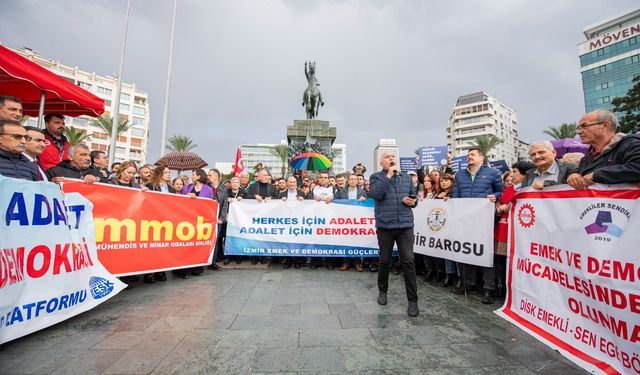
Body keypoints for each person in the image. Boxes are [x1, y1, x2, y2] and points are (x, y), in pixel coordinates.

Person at [369, 152, 419, 317]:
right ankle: (382, 291)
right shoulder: (376, 177)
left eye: (393, 156)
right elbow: (376, 194)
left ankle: (413, 301)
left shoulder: (406, 178)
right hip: (385, 226)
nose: (391, 158)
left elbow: (415, 198)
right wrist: (389, 175)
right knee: (384, 260)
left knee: (408, 261)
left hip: (405, 225)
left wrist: (413, 202)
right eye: (387, 157)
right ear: (381, 161)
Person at [451, 148, 503, 304]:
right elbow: (455, 194)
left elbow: (501, 191)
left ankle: (489, 288)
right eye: (468, 155)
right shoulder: (460, 174)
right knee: (467, 250)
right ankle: (470, 283)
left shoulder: (492, 173)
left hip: (484, 219)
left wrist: (496, 196)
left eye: (472, 155)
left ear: (481, 157)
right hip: (465, 220)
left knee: (486, 253)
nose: (469, 157)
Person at [567, 109, 640, 190]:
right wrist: (575, 176)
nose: (579, 132)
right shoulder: (586, 158)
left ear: (605, 126)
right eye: (578, 127)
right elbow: (584, 178)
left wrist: (596, 175)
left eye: (584, 126)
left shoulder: (631, 145)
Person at [494, 161, 535, 298]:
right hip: (504, 232)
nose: (512, 175)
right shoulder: (510, 190)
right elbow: (500, 203)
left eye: (515, 172)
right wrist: (499, 207)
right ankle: (503, 292)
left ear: (525, 174)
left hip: (521, 237)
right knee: (502, 264)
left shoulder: (531, 189)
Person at [108, 161, 144, 289]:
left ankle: (124, 278)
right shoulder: (111, 183)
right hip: (113, 222)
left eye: (133, 173)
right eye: (128, 172)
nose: (130, 175)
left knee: (126, 251)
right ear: (121, 171)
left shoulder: (136, 186)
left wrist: (144, 192)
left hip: (130, 223)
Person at [142, 165, 175, 284]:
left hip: (166, 223)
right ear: (159, 174)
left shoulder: (171, 189)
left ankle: (160, 271)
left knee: (163, 247)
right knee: (151, 248)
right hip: (152, 222)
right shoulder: (151, 186)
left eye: (169, 172)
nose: (168, 174)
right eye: (166, 172)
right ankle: (149, 273)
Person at [179, 169, 212, 278]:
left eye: (193, 175)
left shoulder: (208, 189)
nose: (192, 176)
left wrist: (197, 199)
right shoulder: (186, 188)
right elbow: (179, 202)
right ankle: (185, 270)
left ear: (198, 176)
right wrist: (187, 197)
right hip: (187, 221)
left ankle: (198, 268)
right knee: (187, 246)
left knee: (199, 246)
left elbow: (210, 204)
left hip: (201, 221)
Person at [335, 173, 367, 272]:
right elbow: (335, 203)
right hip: (344, 220)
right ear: (347, 181)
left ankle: (357, 263)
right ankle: (345, 262)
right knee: (346, 241)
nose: (353, 181)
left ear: (357, 181)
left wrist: (364, 200)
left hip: (357, 220)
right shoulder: (341, 192)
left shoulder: (363, 192)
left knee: (356, 241)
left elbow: (367, 205)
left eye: (355, 179)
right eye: (351, 179)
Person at [247, 168, 278, 265]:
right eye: (264, 175)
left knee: (264, 236)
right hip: (255, 216)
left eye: (267, 175)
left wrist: (271, 198)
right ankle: (255, 256)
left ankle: (264, 255)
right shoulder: (252, 187)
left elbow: (277, 198)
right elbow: (246, 197)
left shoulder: (272, 187)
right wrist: (254, 196)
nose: (266, 177)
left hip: (267, 216)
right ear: (259, 177)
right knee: (255, 236)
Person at [278, 176, 307, 269]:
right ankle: (288, 260)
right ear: (287, 183)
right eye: (290, 182)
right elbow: (276, 207)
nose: (292, 184)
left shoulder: (302, 193)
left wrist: (304, 201)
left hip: (299, 222)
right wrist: (280, 202)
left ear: (296, 184)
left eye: (294, 182)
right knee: (287, 241)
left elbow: (309, 207)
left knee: (298, 241)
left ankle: (297, 260)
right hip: (286, 222)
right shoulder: (281, 194)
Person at [435, 173, 456, 287]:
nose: (443, 182)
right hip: (440, 227)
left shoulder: (454, 193)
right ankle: (448, 274)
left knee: (453, 251)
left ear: (452, 181)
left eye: (446, 180)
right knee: (445, 251)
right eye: (442, 180)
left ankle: (455, 276)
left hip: (452, 226)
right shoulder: (438, 193)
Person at [207, 168, 229, 271]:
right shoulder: (206, 187)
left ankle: (213, 262)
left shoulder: (224, 188)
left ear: (216, 176)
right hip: (207, 218)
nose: (208, 177)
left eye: (210, 175)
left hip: (218, 220)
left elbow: (225, 204)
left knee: (215, 241)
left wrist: (221, 218)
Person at [224, 176, 248, 265]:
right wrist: (226, 200)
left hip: (239, 219)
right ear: (230, 184)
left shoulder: (244, 192)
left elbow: (250, 203)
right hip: (228, 217)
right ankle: (229, 256)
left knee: (239, 237)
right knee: (228, 237)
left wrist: (243, 200)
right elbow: (220, 200)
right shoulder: (226, 192)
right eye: (233, 182)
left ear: (239, 184)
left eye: (237, 182)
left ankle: (239, 256)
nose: (235, 184)